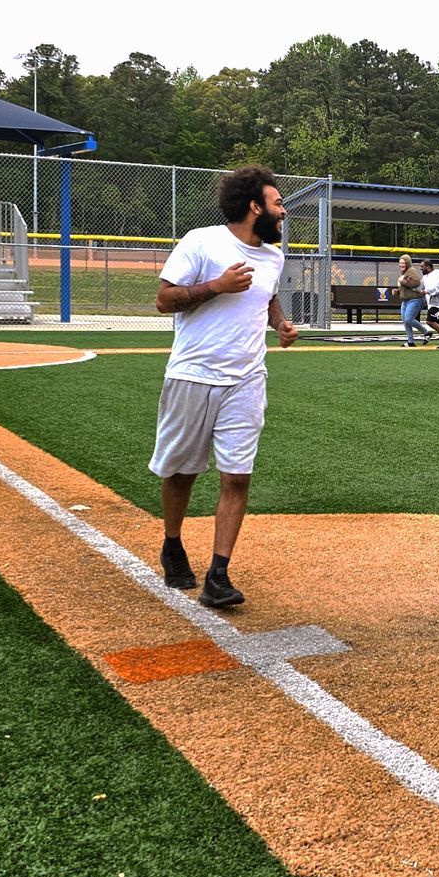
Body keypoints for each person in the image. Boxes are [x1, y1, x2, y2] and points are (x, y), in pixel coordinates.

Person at [149, 164, 299, 609]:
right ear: (255, 207)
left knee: (237, 476)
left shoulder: (274, 257)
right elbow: (163, 300)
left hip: (247, 379)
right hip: (193, 374)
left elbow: (268, 295)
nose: (283, 211)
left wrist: (280, 323)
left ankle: (219, 573)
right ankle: (172, 544)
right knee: (181, 470)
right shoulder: (201, 241)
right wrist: (217, 286)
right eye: (277, 203)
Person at [394, 253, 426, 346]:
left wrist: (402, 281)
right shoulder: (404, 273)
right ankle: (410, 341)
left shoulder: (411, 271)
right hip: (406, 300)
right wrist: (397, 291)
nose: (401, 265)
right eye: (400, 263)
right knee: (405, 320)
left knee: (408, 319)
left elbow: (416, 283)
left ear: (408, 263)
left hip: (414, 299)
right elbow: (406, 287)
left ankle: (426, 332)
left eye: (403, 263)